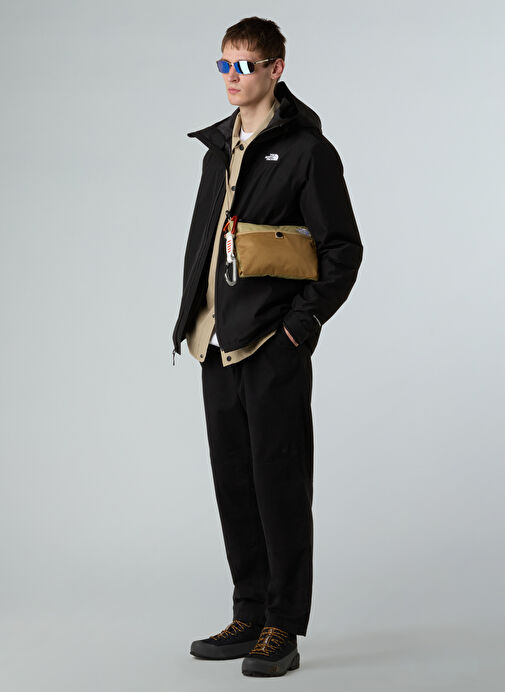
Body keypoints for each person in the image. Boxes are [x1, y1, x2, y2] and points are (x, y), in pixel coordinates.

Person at [172, 16, 363, 677]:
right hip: (213, 342)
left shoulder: (307, 151)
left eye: (244, 65)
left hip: (270, 343)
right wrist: (190, 322)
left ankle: (282, 625)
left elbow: (342, 250)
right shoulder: (216, 150)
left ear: (275, 69)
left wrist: (298, 329)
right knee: (234, 483)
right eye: (223, 64)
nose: (232, 77)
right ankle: (248, 612)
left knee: (279, 484)